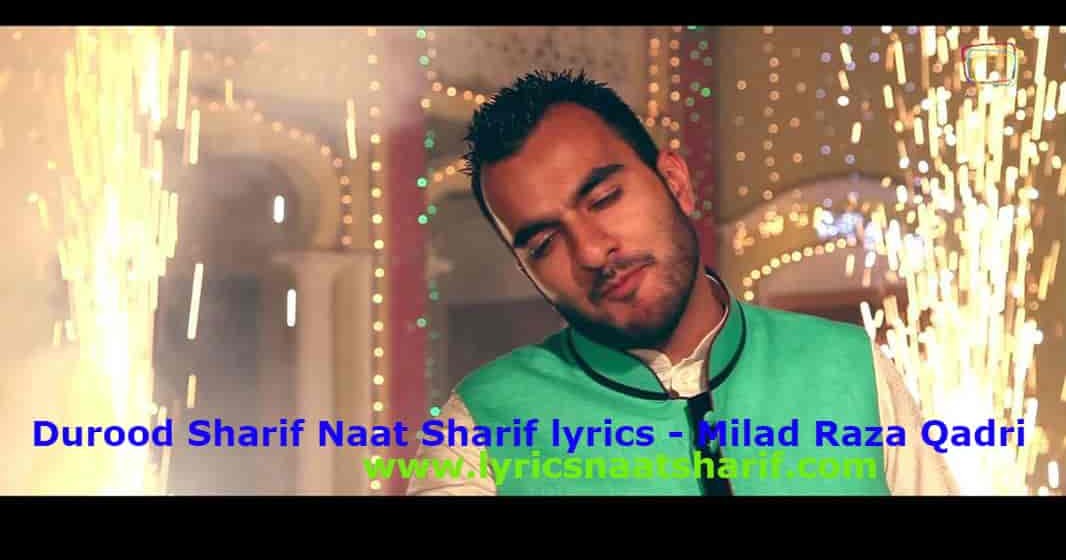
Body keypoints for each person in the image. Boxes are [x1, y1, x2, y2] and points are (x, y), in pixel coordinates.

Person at [407, 69, 959, 496]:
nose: (592, 251)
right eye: (544, 243)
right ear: (525, 269)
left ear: (674, 182)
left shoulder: (851, 369)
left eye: (604, 199)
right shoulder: (477, 429)